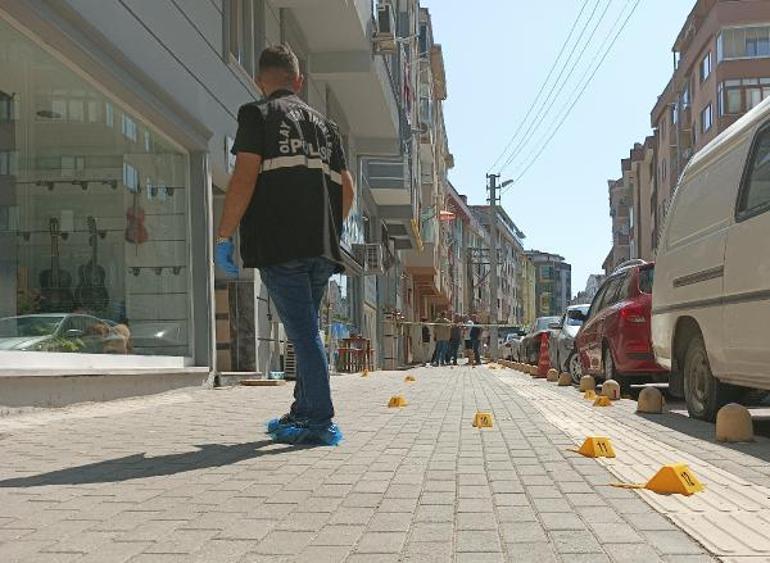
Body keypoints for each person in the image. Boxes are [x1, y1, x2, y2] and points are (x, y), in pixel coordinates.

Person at [214, 44, 355, 446]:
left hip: (280, 244)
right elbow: (347, 189)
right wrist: (329, 228)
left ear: (260, 81)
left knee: (303, 333)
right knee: (305, 330)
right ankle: (302, 409)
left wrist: (224, 235)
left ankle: (319, 419)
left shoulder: (256, 114)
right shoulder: (327, 127)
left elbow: (244, 177)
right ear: (299, 81)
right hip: (321, 248)